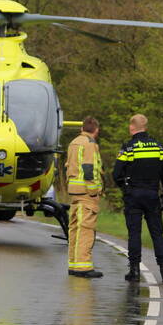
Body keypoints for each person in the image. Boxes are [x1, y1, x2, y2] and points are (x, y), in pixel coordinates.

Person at [112, 114, 163, 283]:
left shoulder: (129, 147)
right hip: (153, 194)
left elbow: (116, 174)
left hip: (134, 195)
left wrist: (126, 189)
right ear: (145, 127)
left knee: (134, 233)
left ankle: (134, 271)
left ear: (132, 127)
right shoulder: (158, 147)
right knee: (157, 233)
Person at [65, 116, 104, 278]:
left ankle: (74, 264)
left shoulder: (74, 142)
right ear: (96, 130)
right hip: (86, 193)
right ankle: (83, 267)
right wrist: (95, 190)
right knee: (86, 229)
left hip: (74, 191)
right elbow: (89, 169)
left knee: (75, 228)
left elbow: (68, 166)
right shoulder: (89, 144)